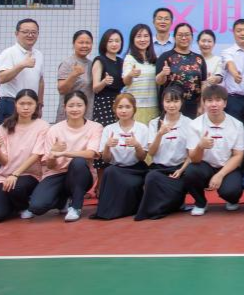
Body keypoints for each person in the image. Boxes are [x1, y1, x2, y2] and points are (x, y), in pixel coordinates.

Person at [27, 90, 104, 222]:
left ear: (86, 106)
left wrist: (63, 153)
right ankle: (62, 200)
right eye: (71, 105)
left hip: (81, 174)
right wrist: (53, 155)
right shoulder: (54, 129)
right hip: (56, 173)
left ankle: (76, 207)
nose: (75, 109)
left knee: (78, 161)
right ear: (65, 107)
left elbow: (90, 153)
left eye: (79, 105)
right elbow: (50, 165)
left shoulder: (95, 127)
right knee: (37, 207)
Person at [183, 85, 244, 214]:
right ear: (204, 103)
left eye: (218, 100)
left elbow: (238, 156)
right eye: (209, 100)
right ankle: (200, 203)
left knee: (232, 191)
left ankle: (232, 199)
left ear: (225, 103)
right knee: (190, 172)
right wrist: (200, 146)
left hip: (227, 166)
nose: (214, 104)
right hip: (204, 166)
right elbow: (194, 159)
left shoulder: (237, 125)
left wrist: (220, 175)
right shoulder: (194, 125)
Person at [133, 86, 194, 221]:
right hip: (159, 169)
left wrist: (181, 170)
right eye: (168, 101)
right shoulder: (154, 123)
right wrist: (159, 134)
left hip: (179, 169)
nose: (172, 105)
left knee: (185, 180)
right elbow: (152, 153)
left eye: (175, 101)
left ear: (182, 102)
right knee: (151, 177)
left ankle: (175, 202)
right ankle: (160, 209)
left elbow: (191, 154)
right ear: (162, 102)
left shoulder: (189, 123)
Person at [0, 89, 48, 223]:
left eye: (30, 104)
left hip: (29, 175)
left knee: (17, 187)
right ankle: (13, 204)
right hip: (4, 177)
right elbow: (3, 162)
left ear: (36, 105)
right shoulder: (3, 127)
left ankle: (24, 205)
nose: (26, 107)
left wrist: (15, 175)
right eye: (22, 104)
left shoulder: (42, 126)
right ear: (15, 104)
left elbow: (37, 155)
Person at [92, 92, 150, 220]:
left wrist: (137, 145)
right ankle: (110, 210)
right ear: (115, 109)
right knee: (110, 172)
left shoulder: (142, 128)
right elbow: (106, 159)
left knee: (131, 184)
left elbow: (142, 157)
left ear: (134, 109)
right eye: (120, 107)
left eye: (128, 107)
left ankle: (130, 208)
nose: (124, 111)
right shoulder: (108, 129)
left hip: (136, 169)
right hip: (116, 168)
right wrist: (107, 146)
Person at [154, 22, 209, 118]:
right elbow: (158, 81)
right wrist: (163, 73)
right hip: (171, 106)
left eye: (187, 35)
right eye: (180, 35)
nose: (184, 38)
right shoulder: (165, 57)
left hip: (193, 106)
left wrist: (202, 104)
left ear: (192, 37)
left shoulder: (199, 59)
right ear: (174, 37)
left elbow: (203, 83)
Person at [0, 18, 44, 123]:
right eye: (25, 32)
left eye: (34, 32)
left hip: (31, 104)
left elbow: (40, 81)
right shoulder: (8, 53)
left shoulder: (38, 54)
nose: (30, 35)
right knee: (9, 133)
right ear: (16, 33)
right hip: (11, 103)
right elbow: (1, 78)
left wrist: (39, 105)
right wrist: (22, 65)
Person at [122, 23, 159, 124]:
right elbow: (126, 81)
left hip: (153, 105)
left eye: (146, 36)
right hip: (136, 106)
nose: (142, 40)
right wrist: (130, 75)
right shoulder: (129, 58)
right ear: (133, 39)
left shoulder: (155, 59)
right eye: (138, 36)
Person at [55, 30, 93, 123]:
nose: (84, 45)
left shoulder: (92, 64)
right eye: (81, 42)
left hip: (86, 114)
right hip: (68, 115)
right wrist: (74, 75)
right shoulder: (67, 63)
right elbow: (61, 90)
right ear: (73, 44)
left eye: (88, 43)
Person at [91, 29, 125, 130]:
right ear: (104, 43)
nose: (114, 44)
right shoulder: (100, 60)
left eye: (117, 41)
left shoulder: (121, 61)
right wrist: (104, 82)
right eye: (110, 41)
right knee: (105, 133)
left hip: (119, 103)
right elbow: (95, 88)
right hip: (103, 104)